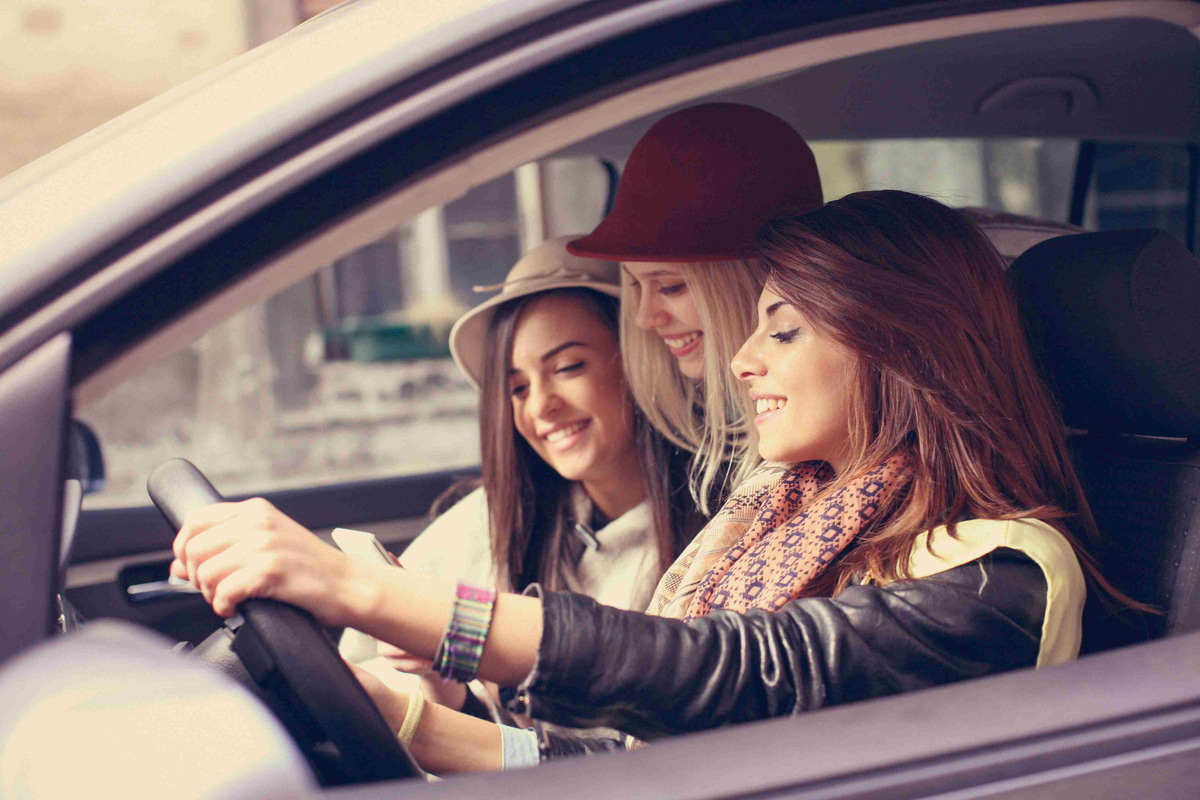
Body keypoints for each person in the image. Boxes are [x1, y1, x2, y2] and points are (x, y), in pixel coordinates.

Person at [173, 190, 1130, 774]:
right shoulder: (785, 518)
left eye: (784, 330)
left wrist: (364, 593)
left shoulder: (1001, 574)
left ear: (900, 348)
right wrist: (412, 726)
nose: (745, 360)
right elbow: (639, 758)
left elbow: (727, 672)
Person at [342, 236, 701, 714]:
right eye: (516, 388)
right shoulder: (489, 520)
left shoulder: (720, 530)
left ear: (641, 360)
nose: (540, 407)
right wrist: (435, 675)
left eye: (569, 367)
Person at [568, 102, 824, 515]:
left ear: (757, 280)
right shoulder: (695, 451)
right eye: (636, 286)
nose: (644, 317)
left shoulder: (819, 451)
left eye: (670, 287)